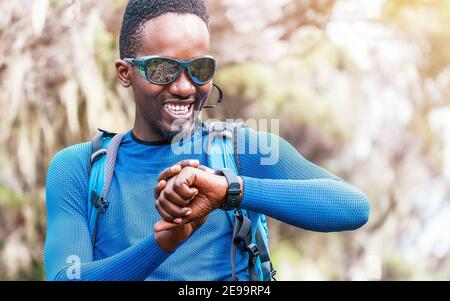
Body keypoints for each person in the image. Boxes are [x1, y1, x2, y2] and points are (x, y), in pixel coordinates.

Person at [44, 0, 370, 281]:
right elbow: (65, 277)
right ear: (125, 72)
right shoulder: (80, 168)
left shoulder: (244, 150)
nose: (185, 87)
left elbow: (352, 206)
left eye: (199, 68)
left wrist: (229, 190)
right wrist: (164, 243)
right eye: (162, 69)